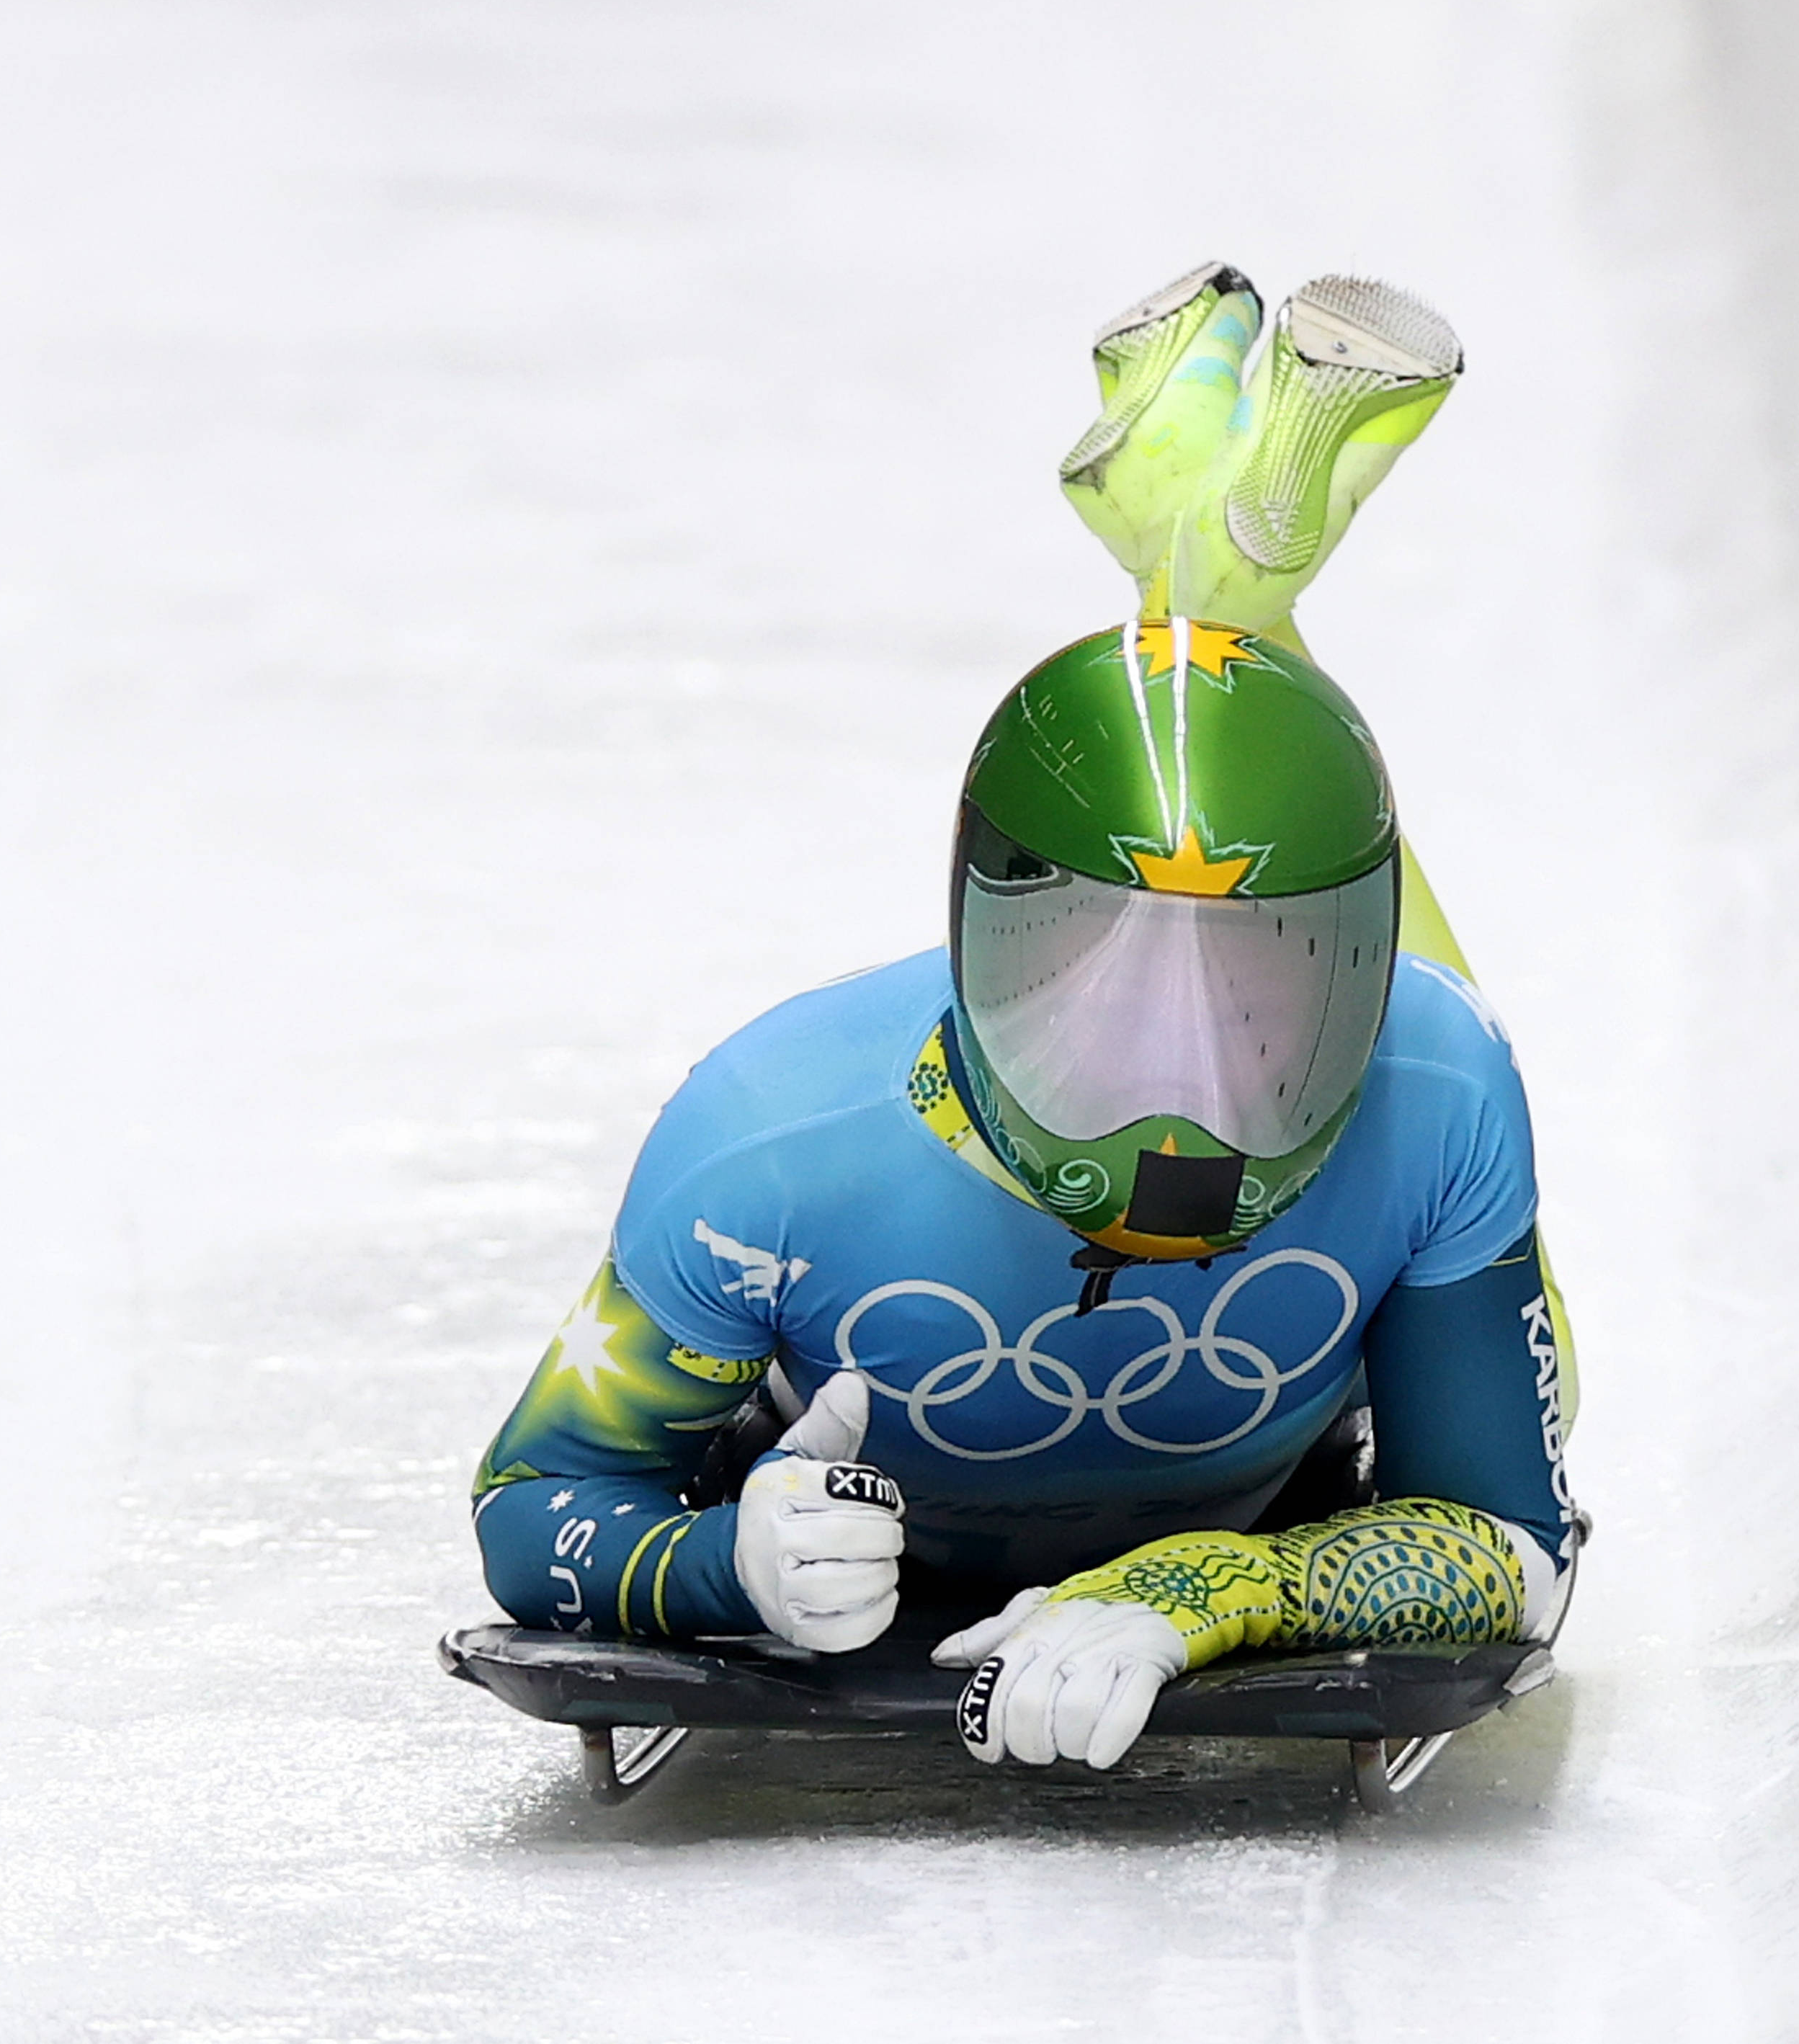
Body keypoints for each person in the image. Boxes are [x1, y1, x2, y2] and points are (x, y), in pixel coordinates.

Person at [468, 263, 1580, 1772]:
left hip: (1256, 1495)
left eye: (1267, 992)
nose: (1182, 1107)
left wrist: (1214, 1589)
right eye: (1100, 989)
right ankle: (1213, 580)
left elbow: (1514, 1539)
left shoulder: (1437, 1087)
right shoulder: (765, 1144)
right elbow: (537, 1503)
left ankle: (1211, 578)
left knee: (1481, 1144)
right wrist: (728, 1562)